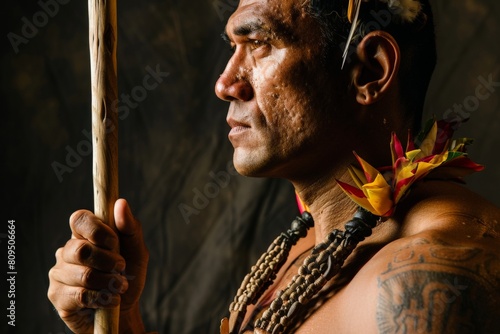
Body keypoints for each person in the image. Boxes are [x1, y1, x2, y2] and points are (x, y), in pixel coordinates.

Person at [48, 0, 500, 333]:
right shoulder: (312, 246)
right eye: (233, 46)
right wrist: (118, 322)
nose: (225, 83)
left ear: (369, 72)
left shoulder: (424, 282)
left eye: (260, 44)